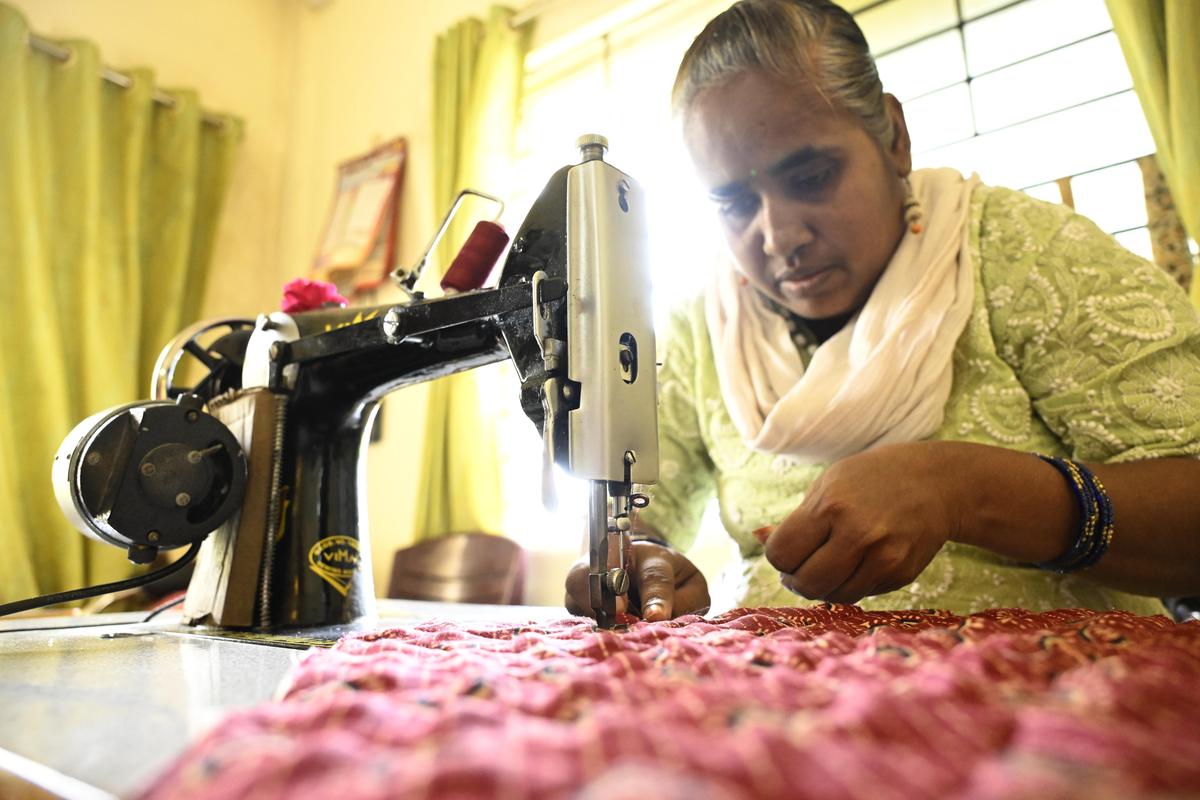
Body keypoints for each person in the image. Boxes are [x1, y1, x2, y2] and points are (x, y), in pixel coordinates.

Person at [565, 0, 1200, 622]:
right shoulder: (704, 326)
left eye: (811, 177)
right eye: (733, 204)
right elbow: (646, 515)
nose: (778, 234)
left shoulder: (1025, 256)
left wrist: (965, 491)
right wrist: (642, 559)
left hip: (1054, 704)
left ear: (894, 138)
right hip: (769, 697)